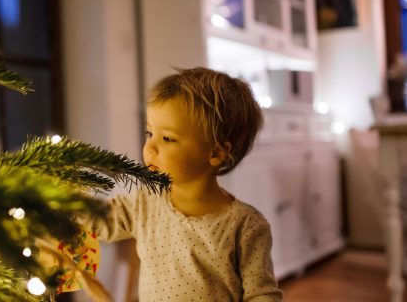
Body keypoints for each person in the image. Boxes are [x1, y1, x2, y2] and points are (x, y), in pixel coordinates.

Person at [84, 67, 282, 301]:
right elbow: (100, 220)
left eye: (167, 138)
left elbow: (262, 295)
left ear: (216, 153)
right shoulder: (144, 203)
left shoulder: (246, 225)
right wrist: (55, 197)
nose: (150, 147)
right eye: (149, 133)